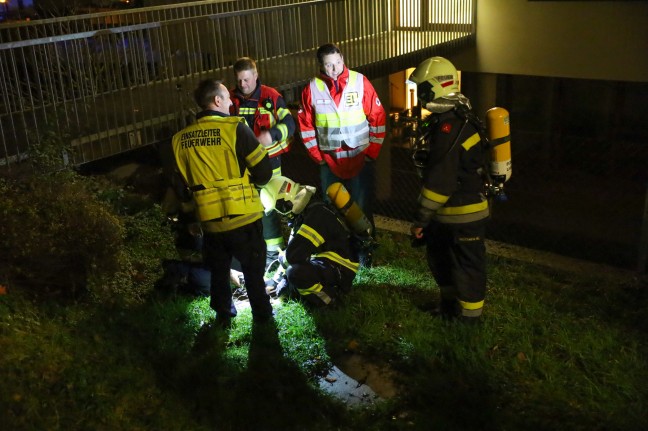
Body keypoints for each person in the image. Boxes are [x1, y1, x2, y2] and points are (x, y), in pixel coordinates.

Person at [172, 78, 274, 327]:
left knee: (219, 271)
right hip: (244, 217)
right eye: (227, 97)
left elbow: (181, 189)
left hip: (210, 222)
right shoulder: (235, 128)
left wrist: (193, 215)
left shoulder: (180, 140)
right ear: (217, 101)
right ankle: (262, 316)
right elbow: (264, 172)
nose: (231, 101)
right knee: (253, 271)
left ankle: (223, 315)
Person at [407, 56, 490, 323]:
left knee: (467, 267)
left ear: (435, 87)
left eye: (421, 88)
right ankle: (449, 308)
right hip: (449, 213)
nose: (419, 95)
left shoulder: (450, 127)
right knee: (441, 259)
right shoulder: (455, 117)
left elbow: (439, 182)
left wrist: (421, 219)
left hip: (462, 213)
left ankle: (469, 320)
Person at [297, 43, 386, 267]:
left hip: (359, 158)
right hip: (330, 161)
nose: (334, 68)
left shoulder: (360, 81)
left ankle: (365, 253)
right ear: (321, 66)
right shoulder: (312, 88)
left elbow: (378, 117)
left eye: (337, 62)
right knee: (330, 211)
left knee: (361, 209)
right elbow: (306, 126)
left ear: (342, 58)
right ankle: (337, 253)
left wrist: (372, 152)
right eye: (328, 65)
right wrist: (317, 157)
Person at [230, 57, 296, 272]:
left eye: (246, 80)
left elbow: (289, 123)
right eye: (239, 80)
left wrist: (273, 134)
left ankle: (273, 254)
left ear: (256, 76)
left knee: (269, 208)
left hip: (270, 163)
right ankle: (251, 253)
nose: (243, 85)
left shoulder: (271, 97)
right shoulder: (231, 99)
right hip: (242, 166)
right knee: (246, 209)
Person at [259, 175, 360, 307]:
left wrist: (286, 279)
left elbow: (293, 255)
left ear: (284, 202)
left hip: (342, 267)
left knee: (295, 273)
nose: (281, 214)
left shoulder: (315, 216)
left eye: (278, 209)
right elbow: (292, 251)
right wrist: (275, 281)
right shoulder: (306, 212)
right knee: (293, 271)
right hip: (330, 261)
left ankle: (331, 301)